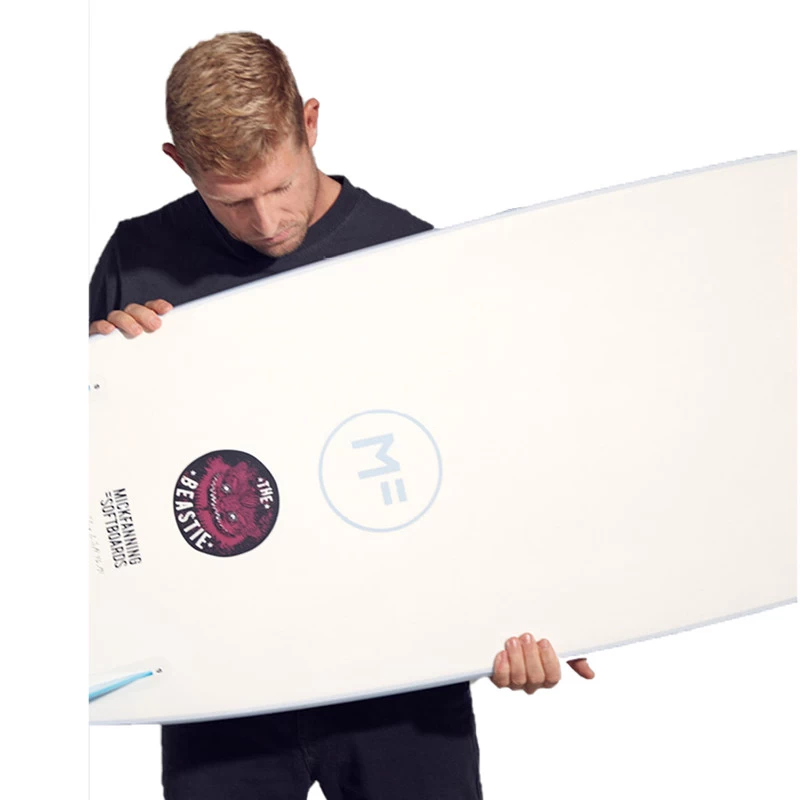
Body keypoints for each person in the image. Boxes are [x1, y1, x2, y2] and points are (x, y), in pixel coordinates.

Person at [89, 32, 595, 800]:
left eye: (280, 186)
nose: (266, 221)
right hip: (220, 687)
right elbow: (78, 487)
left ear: (311, 123)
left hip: (403, 684)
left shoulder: (410, 256)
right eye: (232, 201)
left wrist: (552, 605)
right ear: (177, 163)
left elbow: (494, 461)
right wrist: (90, 378)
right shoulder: (138, 258)